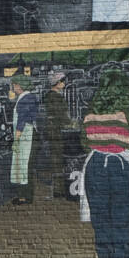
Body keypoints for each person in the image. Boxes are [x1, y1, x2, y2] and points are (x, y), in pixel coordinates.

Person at [78, 70, 129, 258]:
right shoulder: (127, 114)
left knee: (100, 214)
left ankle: (105, 257)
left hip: (95, 166)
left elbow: (84, 143)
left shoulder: (90, 113)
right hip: (121, 166)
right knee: (123, 214)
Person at [8, 75, 41, 205]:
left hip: (26, 136)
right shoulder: (26, 98)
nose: (13, 87)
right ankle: (23, 195)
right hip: (26, 135)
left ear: (19, 86)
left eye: (14, 85)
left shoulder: (26, 99)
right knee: (23, 167)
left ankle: (25, 197)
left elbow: (22, 121)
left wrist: (16, 139)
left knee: (24, 167)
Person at [42, 71, 72, 199]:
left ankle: (59, 189)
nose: (64, 83)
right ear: (56, 83)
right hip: (56, 132)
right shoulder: (54, 97)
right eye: (62, 81)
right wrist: (69, 123)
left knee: (58, 161)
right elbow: (60, 115)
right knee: (57, 161)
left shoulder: (53, 96)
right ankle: (59, 190)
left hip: (55, 131)